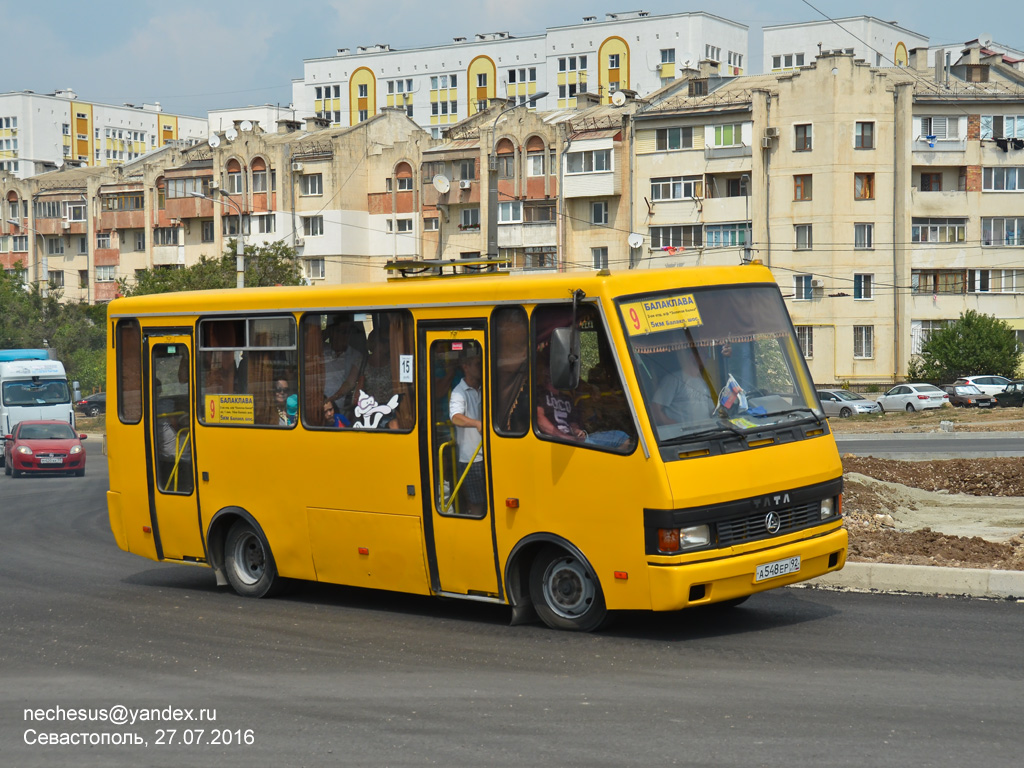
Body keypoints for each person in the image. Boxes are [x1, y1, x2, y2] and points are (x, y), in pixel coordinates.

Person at [448, 351, 485, 515]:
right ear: (466, 367)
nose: (481, 367)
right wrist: (476, 423)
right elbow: (455, 418)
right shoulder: (459, 392)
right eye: (477, 364)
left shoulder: (486, 387)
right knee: (477, 504)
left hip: (489, 454)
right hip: (472, 457)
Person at [651, 345, 716, 425]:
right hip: (683, 436)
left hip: (707, 435)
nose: (707, 357)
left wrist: (727, 404)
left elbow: (712, 411)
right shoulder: (673, 380)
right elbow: (655, 410)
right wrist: (675, 427)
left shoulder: (703, 383)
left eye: (707, 354)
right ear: (692, 356)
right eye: (704, 354)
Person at [323, 322, 364, 410]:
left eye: (346, 332)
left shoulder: (356, 355)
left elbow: (350, 383)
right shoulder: (321, 351)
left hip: (341, 405)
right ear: (332, 333)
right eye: (339, 331)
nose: (342, 336)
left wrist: (333, 398)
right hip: (320, 404)